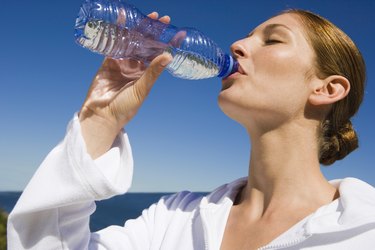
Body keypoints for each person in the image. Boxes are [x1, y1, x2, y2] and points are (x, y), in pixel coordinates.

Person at [7, 9, 375, 250]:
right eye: (247, 35)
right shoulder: (174, 218)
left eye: (273, 39)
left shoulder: (364, 231)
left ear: (327, 89)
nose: (238, 44)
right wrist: (100, 121)